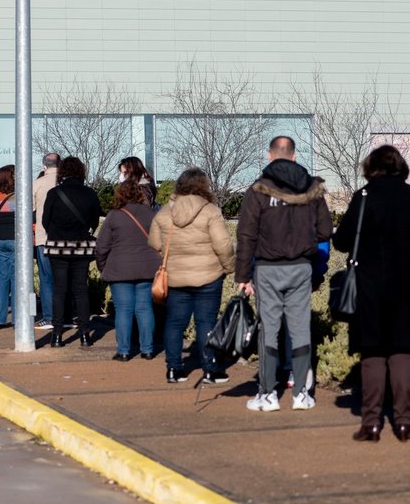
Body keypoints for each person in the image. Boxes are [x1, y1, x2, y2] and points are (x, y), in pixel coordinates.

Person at [333, 145, 410, 442]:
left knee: (372, 353)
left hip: (370, 285)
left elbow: (343, 241)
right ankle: (403, 423)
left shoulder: (364, 196)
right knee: (402, 352)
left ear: (371, 167)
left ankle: (371, 423)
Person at [236, 136, 333, 411]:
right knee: (301, 330)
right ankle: (302, 393)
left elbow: (246, 235)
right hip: (301, 266)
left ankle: (267, 394)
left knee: (270, 330)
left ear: (269, 156)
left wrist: (243, 275)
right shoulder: (312, 188)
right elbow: (325, 230)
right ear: (293, 156)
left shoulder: (258, 189)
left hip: (267, 268)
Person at [149, 168, 235, 383]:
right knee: (205, 322)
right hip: (209, 275)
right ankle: (210, 369)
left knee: (175, 323)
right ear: (203, 186)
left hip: (176, 277)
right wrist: (229, 267)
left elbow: (155, 243)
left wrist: (173, 257)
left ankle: (173, 369)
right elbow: (223, 244)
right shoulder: (211, 211)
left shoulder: (164, 213)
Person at [95, 180, 161, 361]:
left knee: (124, 310)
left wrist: (103, 266)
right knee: (145, 309)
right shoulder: (151, 215)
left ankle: (124, 351)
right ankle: (147, 349)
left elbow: (102, 246)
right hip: (147, 268)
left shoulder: (114, 216)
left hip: (120, 269)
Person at [42, 156, 102, 347]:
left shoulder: (54, 193)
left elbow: (45, 220)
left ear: (62, 172)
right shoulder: (90, 194)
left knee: (59, 290)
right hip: (81, 247)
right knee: (80, 290)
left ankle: (57, 335)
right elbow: (94, 220)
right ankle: (85, 334)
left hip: (58, 247)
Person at [32, 153, 60, 330]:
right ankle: (65, 315)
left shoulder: (37, 184)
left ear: (44, 167)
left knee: (47, 278)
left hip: (44, 237)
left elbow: (29, 210)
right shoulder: (68, 182)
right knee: (64, 278)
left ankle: (49, 317)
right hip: (67, 239)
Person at [0, 165, 17, 330]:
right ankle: (17, 318)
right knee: (16, 279)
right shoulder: (18, 196)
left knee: (1, 278)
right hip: (15, 237)